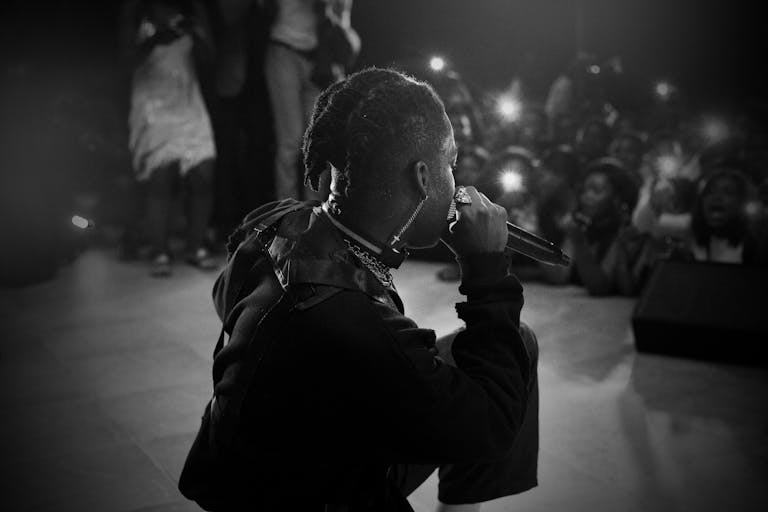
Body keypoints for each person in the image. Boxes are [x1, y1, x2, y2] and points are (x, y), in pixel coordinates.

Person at [179, 68, 539, 512]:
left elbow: (226, 297)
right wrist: (486, 269)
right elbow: (494, 426)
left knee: (517, 343)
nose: (459, 182)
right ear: (424, 177)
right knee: (495, 392)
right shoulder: (352, 323)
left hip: (291, 458)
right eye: (451, 164)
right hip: (311, 496)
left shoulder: (276, 221)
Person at [122, 0, 218, 276]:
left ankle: (195, 247)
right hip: (152, 103)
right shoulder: (136, 11)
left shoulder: (193, 8)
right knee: (160, 177)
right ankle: (159, 250)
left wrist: (196, 32)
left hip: (188, 98)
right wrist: (154, 40)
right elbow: (124, 61)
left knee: (204, 173)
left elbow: (209, 57)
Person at [265, 0, 360, 201]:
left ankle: (313, 209)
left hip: (320, 62)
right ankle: (286, 210)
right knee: (290, 141)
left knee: (318, 139)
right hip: (285, 50)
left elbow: (343, 27)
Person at [541, 157, 649, 295]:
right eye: (584, 190)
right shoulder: (580, 227)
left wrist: (579, 243)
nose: (586, 197)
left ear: (618, 198)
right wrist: (532, 232)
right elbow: (559, 275)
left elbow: (599, 286)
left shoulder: (625, 234)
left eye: (596, 191)